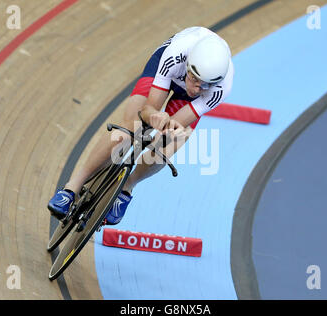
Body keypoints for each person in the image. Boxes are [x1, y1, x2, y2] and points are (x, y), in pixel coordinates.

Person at [48, 26, 234, 225]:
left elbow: (176, 123)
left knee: (165, 147)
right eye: (195, 80)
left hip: (187, 98)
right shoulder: (176, 56)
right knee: (129, 130)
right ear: (188, 67)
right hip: (165, 72)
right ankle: (72, 187)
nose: (197, 89)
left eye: (205, 85)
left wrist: (167, 127)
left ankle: (127, 186)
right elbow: (148, 110)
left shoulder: (220, 89)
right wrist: (154, 115)